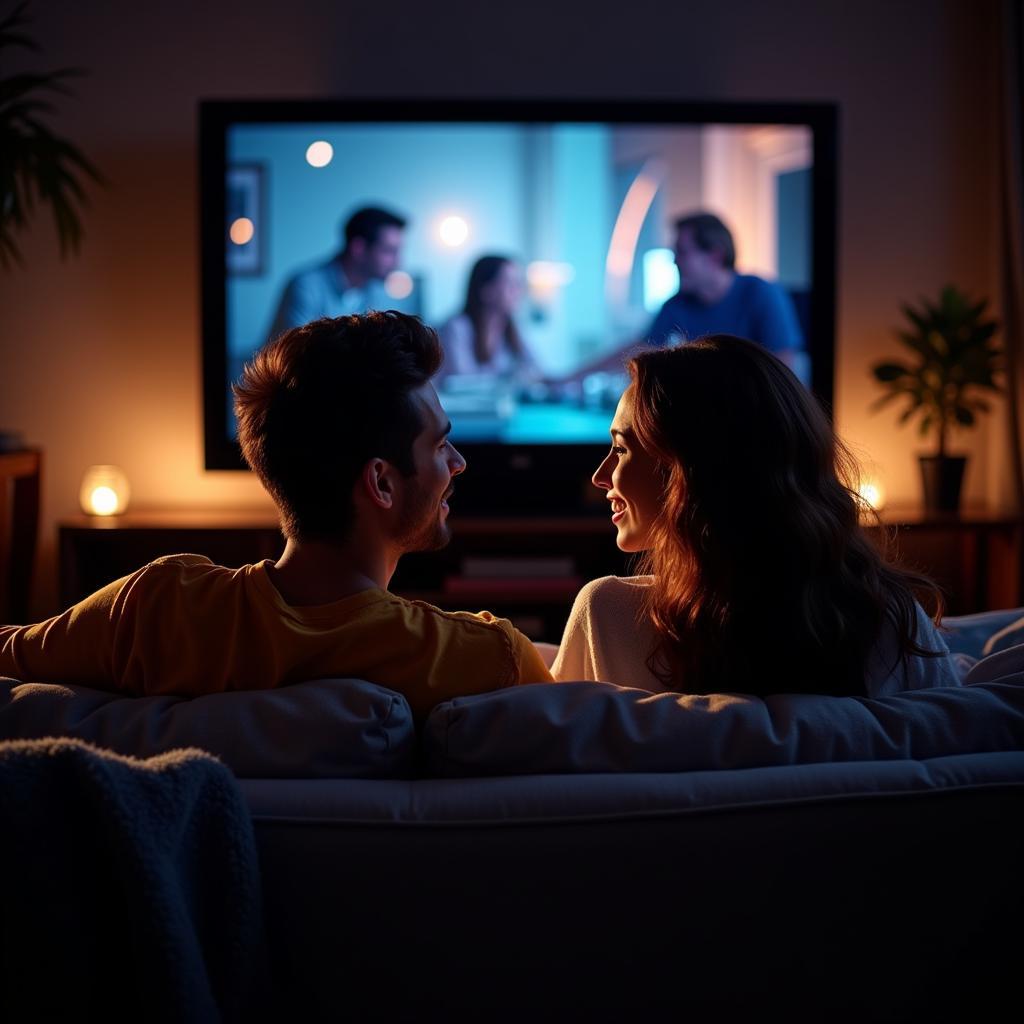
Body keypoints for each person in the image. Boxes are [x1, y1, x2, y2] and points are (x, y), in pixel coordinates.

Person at [0, 313, 553, 720]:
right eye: (440, 446)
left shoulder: (155, 608)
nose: (458, 463)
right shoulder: (486, 659)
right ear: (381, 482)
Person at [551, 334, 961, 698]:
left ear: (690, 471)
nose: (600, 476)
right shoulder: (892, 617)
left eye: (621, 449)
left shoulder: (608, 614)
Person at [647, 212, 805, 370]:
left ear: (716, 256)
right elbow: (644, 348)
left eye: (683, 252)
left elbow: (784, 366)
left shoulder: (762, 294)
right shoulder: (677, 304)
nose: (675, 261)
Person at [267, 206, 407, 341]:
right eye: (389, 251)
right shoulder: (306, 286)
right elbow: (296, 358)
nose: (397, 263)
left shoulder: (377, 292)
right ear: (358, 248)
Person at [437, 255, 539, 385]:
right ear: (485, 290)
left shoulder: (511, 330)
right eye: (510, 283)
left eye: (518, 284)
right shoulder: (456, 328)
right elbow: (464, 382)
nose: (518, 291)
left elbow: (536, 371)